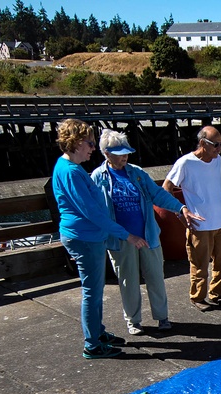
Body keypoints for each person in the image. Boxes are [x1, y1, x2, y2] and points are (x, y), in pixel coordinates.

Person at [51, 119, 148, 359]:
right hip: (85, 238)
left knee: (94, 288)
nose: (93, 148)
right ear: (75, 143)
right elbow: (92, 213)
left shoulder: (67, 167)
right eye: (90, 143)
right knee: (92, 291)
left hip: (86, 236)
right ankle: (92, 344)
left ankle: (97, 331)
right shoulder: (72, 172)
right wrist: (127, 235)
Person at [92, 129, 204, 335]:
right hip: (121, 240)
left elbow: (158, 194)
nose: (125, 156)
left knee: (155, 277)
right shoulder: (98, 177)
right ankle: (133, 321)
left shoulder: (137, 173)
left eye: (126, 152)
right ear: (106, 153)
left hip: (148, 235)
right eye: (119, 153)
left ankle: (162, 317)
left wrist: (181, 208)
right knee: (128, 281)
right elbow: (96, 212)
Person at [163, 125, 221, 311]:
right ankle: (198, 297)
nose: (219, 149)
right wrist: (179, 212)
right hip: (199, 224)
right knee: (199, 264)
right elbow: (167, 187)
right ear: (202, 143)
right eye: (216, 145)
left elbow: (216, 187)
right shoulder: (185, 163)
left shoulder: (217, 161)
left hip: (220, 221)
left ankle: (216, 293)